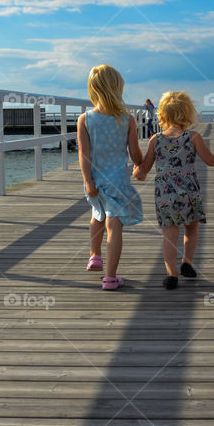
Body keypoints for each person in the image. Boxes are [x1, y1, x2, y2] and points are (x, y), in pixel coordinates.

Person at [133, 91, 214, 289]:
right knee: (191, 229)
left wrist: (137, 170)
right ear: (188, 114)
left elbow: (142, 171)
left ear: (161, 115)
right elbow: (211, 160)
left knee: (169, 235)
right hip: (190, 193)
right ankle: (186, 262)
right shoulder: (193, 137)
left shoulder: (156, 139)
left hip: (165, 195)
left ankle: (172, 275)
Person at [77, 65, 144, 290]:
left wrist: (88, 180)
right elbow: (135, 154)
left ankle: (94, 255)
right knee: (114, 226)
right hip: (119, 181)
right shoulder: (127, 119)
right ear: (117, 89)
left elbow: (84, 154)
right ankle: (110, 277)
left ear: (93, 89)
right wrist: (141, 164)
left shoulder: (85, 119)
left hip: (95, 179)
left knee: (97, 215)